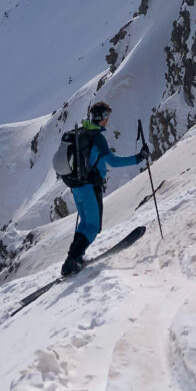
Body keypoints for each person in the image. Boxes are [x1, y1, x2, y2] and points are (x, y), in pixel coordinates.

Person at [61, 100, 149, 277]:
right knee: (93, 227)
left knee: (85, 223)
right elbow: (113, 161)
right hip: (90, 187)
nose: (108, 120)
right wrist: (139, 157)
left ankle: (73, 259)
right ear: (101, 118)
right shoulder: (97, 138)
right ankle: (72, 261)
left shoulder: (83, 132)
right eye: (107, 116)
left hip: (77, 186)